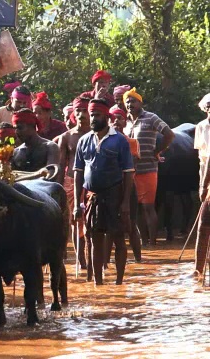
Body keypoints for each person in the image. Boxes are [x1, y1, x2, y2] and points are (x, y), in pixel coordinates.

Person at [73, 99, 134, 285]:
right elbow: (78, 174)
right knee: (94, 239)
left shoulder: (120, 141)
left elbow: (128, 173)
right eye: (92, 115)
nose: (93, 118)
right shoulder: (83, 141)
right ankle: (98, 283)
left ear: (106, 117)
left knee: (118, 238)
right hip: (92, 197)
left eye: (97, 115)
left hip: (114, 196)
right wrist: (77, 204)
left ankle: (119, 282)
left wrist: (125, 203)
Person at [123, 88, 174, 246]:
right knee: (136, 209)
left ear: (140, 102)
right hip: (130, 172)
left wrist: (157, 151)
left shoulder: (151, 118)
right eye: (127, 101)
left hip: (148, 169)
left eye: (133, 101)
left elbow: (169, 134)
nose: (130, 104)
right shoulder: (125, 122)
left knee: (148, 207)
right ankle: (142, 242)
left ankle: (152, 243)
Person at [56, 96, 92, 269]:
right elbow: (61, 165)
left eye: (85, 110)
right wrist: (57, 188)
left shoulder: (97, 135)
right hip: (70, 183)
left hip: (93, 183)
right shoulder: (66, 137)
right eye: (78, 110)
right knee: (75, 222)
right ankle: (82, 261)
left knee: (93, 222)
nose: (81, 114)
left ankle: (94, 259)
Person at [109, 105, 142, 262]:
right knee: (108, 226)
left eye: (120, 118)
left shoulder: (133, 143)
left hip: (128, 187)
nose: (116, 121)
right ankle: (105, 263)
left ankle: (139, 261)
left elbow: (129, 166)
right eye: (113, 118)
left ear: (125, 122)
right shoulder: (103, 142)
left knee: (131, 224)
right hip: (109, 188)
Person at [194, 93, 210, 276]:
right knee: (203, 225)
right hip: (205, 176)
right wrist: (201, 183)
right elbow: (202, 159)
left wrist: (203, 186)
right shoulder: (201, 127)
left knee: (204, 224)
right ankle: (198, 270)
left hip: (208, 182)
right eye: (208, 106)